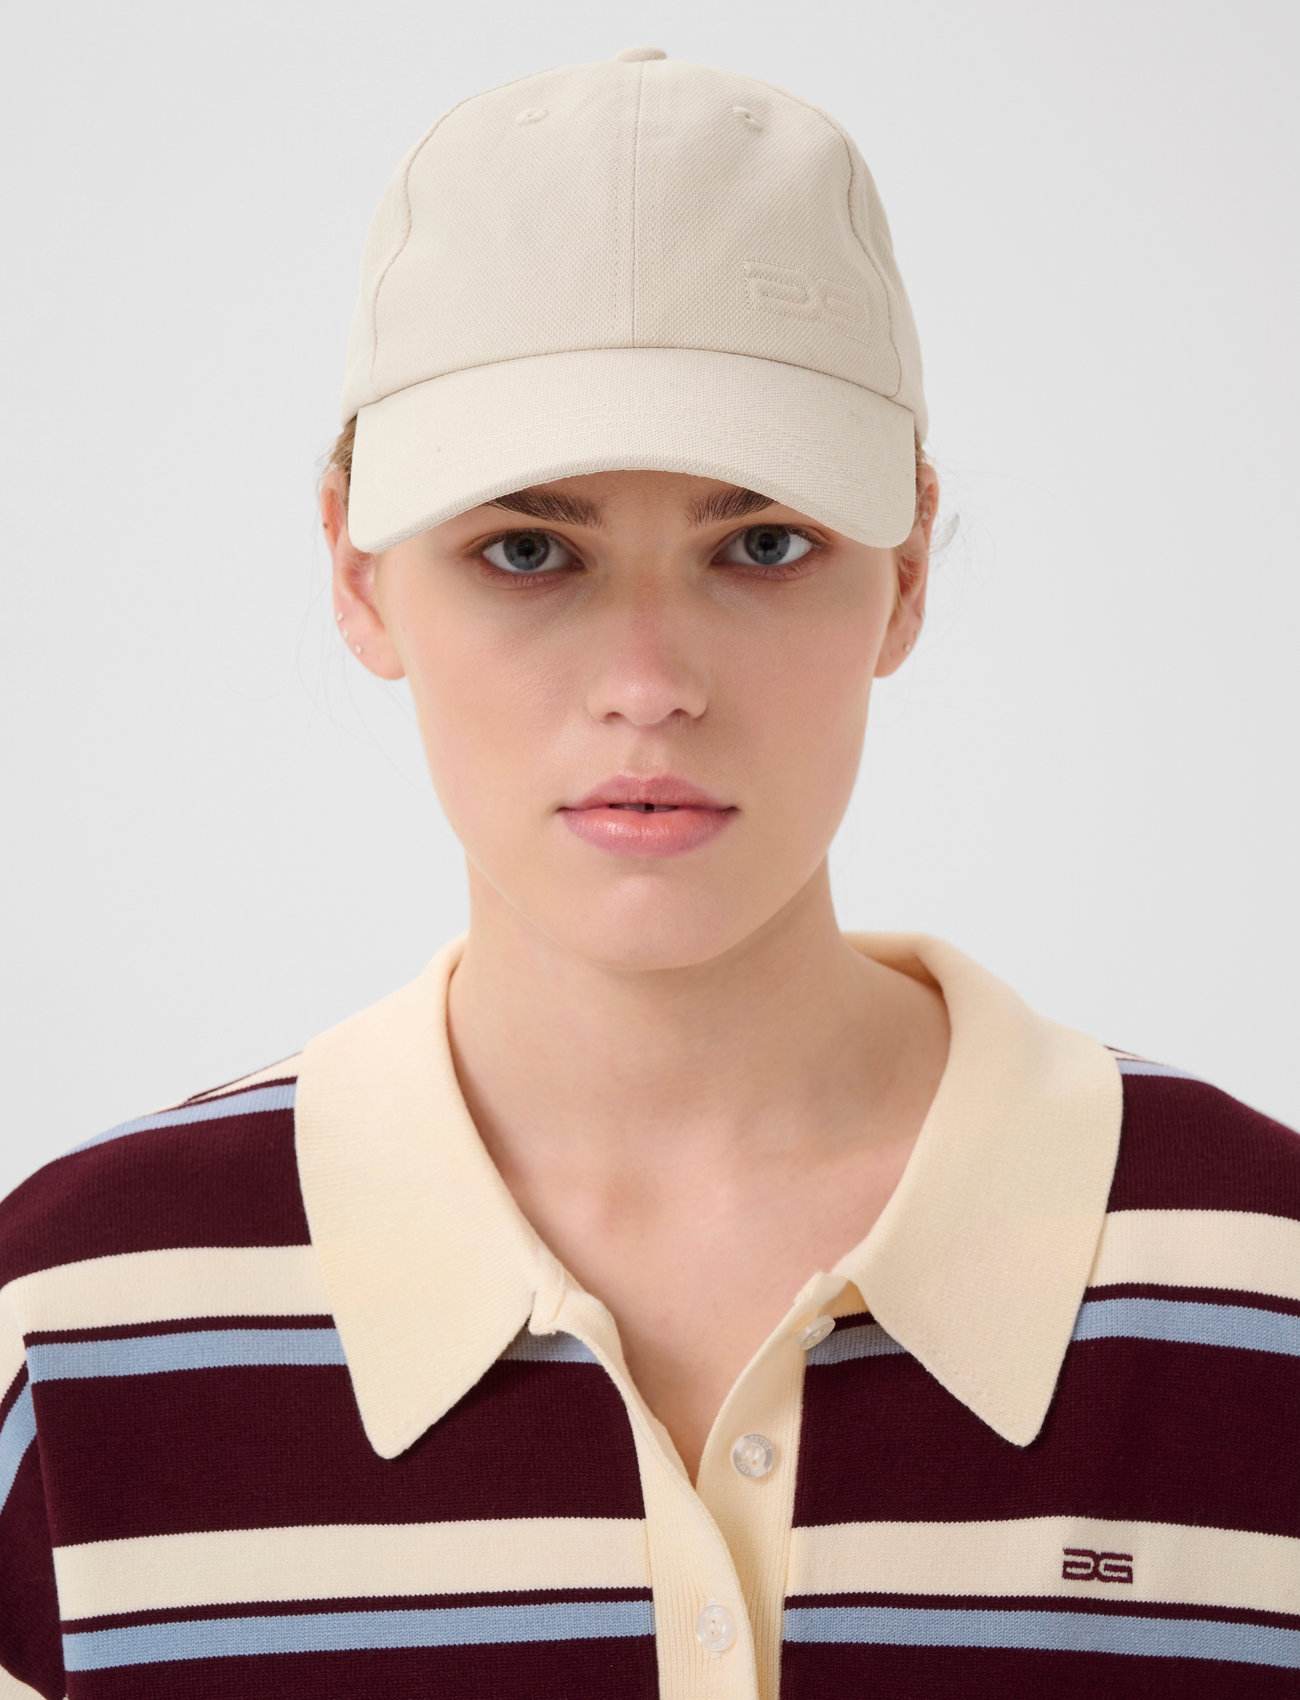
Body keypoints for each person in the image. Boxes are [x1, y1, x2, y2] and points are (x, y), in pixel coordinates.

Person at [2, 43, 1298, 1700]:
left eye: (761, 543)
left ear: (906, 567)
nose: (647, 680)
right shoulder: (73, 1335)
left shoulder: (1268, 1291)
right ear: (358, 573)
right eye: (526, 549)